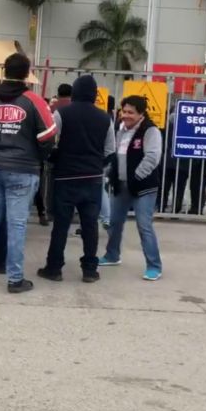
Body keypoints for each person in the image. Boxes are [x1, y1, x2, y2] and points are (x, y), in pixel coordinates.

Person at [0, 53, 57, 294]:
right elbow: (49, 136)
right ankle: (15, 279)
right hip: (23, 169)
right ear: (27, 73)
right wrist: (38, 157)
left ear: (4, 70)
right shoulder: (34, 100)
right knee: (17, 225)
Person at [38, 75, 115, 283]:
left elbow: (52, 143)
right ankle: (90, 269)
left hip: (65, 177)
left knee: (61, 225)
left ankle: (54, 268)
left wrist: (55, 161)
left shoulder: (61, 113)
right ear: (94, 93)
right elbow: (110, 151)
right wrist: (97, 166)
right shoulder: (105, 118)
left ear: (75, 92)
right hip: (93, 179)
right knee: (90, 226)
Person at [98, 96, 164, 281]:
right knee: (114, 222)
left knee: (144, 226)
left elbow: (152, 158)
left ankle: (154, 266)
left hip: (143, 187)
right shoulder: (120, 130)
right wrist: (109, 173)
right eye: (123, 111)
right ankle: (112, 255)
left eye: (130, 113)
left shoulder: (150, 131)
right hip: (121, 185)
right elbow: (115, 155)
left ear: (141, 113)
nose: (125, 115)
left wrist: (135, 177)